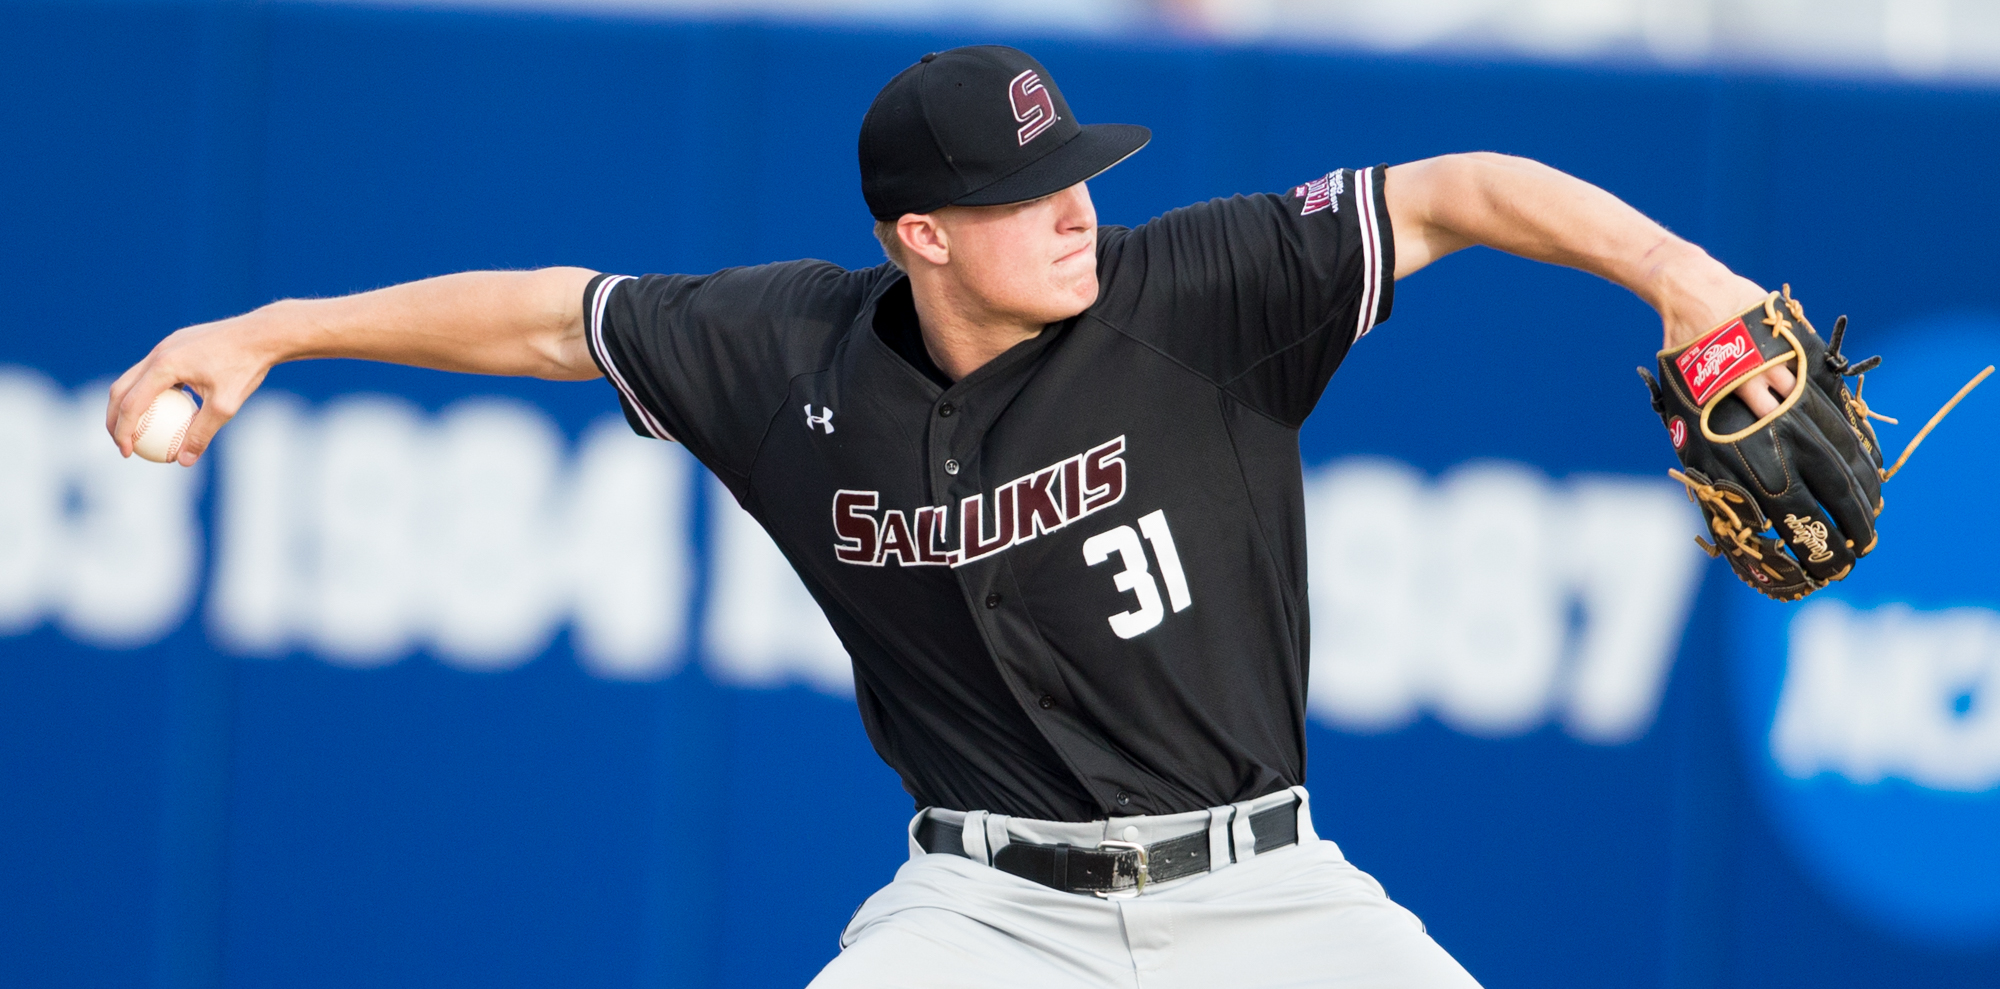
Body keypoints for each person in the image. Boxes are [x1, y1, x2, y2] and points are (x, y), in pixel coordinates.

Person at [109, 45, 1786, 988]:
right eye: (1027, 194)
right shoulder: (785, 354)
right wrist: (273, 329)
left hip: (1266, 894)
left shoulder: (1195, 293)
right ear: (922, 234)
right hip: (986, 917)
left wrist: (1687, 280)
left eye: (1079, 173)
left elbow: (1466, 190)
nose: (1078, 211)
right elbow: (554, 317)